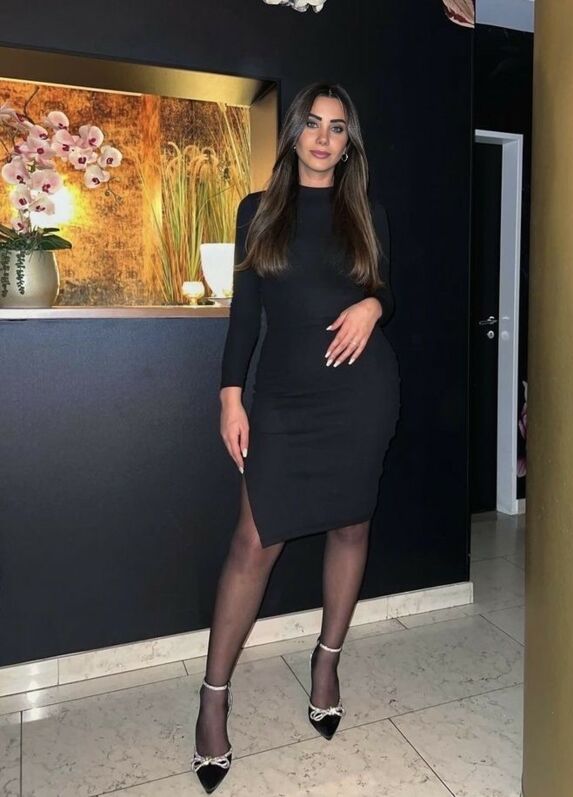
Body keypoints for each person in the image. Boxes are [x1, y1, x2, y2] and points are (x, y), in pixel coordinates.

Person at [191, 81, 401, 794]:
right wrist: (230, 396)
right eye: (312, 123)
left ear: (349, 143)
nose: (322, 137)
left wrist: (373, 306)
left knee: (351, 526)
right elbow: (243, 314)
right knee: (252, 544)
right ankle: (213, 698)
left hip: (360, 396)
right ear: (293, 133)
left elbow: (386, 287)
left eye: (337, 127)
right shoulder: (259, 210)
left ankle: (326, 662)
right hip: (283, 402)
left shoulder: (364, 209)